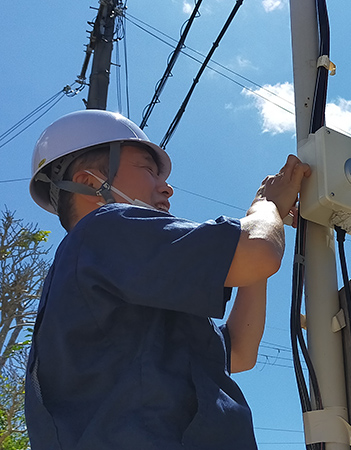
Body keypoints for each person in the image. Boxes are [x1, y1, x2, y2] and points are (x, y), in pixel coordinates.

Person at [25, 109, 311, 449]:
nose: (167, 187)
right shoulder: (103, 229)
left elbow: (238, 352)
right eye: (147, 169)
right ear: (90, 183)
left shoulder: (107, 273)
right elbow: (259, 250)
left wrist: (258, 239)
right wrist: (266, 208)